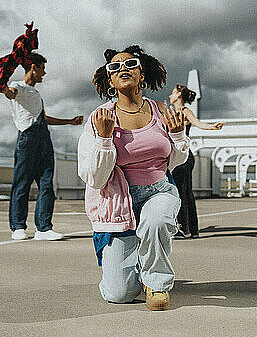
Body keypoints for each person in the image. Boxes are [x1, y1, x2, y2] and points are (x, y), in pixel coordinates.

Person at [77, 45, 189, 311]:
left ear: (142, 74)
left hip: (159, 190)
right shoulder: (100, 118)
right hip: (118, 201)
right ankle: (133, 267)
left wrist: (178, 136)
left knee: (156, 221)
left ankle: (157, 283)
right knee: (118, 294)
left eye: (130, 64)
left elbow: (175, 161)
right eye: (114, 67)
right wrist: (104, 140)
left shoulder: (161, 110)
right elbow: (94, 177)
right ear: (110, 80)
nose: (122, 69)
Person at [0, 22, 83, 241]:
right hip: (27, 140)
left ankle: (44, 228)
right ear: (33, 67)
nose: (45, 72)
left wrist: (69, 121)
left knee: (46, 185)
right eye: (42, 68)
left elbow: (43, 118)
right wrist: (3, 87)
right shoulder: (19, 87)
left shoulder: (36, 93)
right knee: (21, 184)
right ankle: (17, 227)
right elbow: (9, 93)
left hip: (44, 140)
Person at [169, 83, 224, 239]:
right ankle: (192, 230)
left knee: (182, 192)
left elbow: (198, 123)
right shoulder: (171, 112)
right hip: (178, 156)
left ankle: (185, 228)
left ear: (179, 95)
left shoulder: (185, 111)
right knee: (183, 192)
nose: (170, 96)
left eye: (172, 93)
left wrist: (213, 127)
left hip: (184, 157)